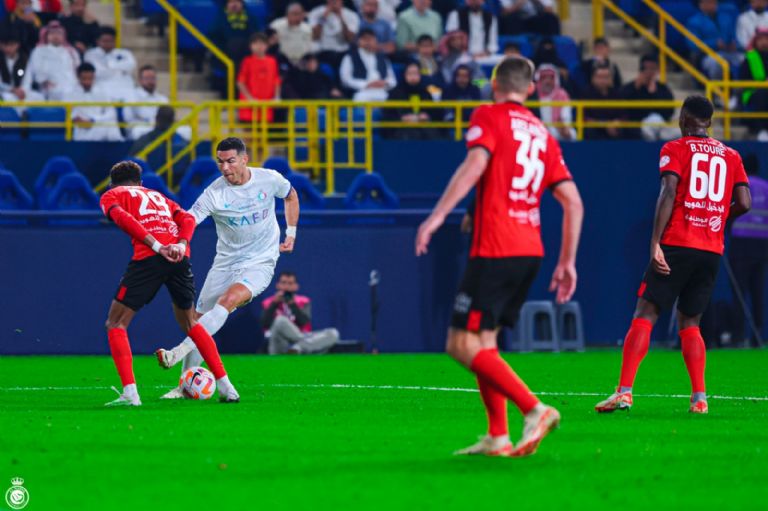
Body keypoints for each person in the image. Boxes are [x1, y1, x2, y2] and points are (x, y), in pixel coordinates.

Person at [415, 56, 584, 457]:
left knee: (459, 344)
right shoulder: (543, 133)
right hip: (530, 250)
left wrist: (437, 216)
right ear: (531, 89)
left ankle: (534, 408)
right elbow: (573, 202)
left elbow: (476, 163)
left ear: (494, 86)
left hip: (495, 246)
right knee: (485, 341)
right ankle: (498, 436)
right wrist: (567, 261)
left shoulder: (489, 115)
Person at [594, 95, 752, 415]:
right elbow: (745, 203)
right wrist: (718, 218)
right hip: (711, 249)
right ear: (709, 122)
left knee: (645, 312)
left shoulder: (675, 149)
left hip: (678, 242)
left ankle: (624, 392)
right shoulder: (731, 155)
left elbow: (668, 191)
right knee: (690, 322)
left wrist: (655, 242)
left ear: (683, 119)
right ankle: (700, 398)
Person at [155, 137, 300, 398]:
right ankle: (184, 387)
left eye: (231, 161)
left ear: (245, 159)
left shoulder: (269, 179)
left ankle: (177, 352)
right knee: (198, 319)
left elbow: (290, 195)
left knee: (228, 300)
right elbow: (190, 219)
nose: (225, 168)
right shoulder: (214, 193)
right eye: (220, 162)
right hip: (225, 262)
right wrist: (180, 243)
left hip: (260, 261)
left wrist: (291, 232)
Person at [99, 160, 240, 406]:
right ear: (140, 183)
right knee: (191, 323)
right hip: (179, 258)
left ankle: (130, 394)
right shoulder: (159, 197)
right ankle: (227, 388)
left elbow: (122, 217)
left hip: (150, 258)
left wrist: (156, 246)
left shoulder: (112, 194)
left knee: (116, 323)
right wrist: (182, 244)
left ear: (113, 183)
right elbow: (187, 219)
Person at [729, 153, 768, 346]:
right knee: (758, 292)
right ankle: (757, 336)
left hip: (741, 245)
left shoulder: (740, 185)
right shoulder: (766, 187)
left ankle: (737, 336)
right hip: (762, 246)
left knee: (739, 292)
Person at [262, 272, 340, 354]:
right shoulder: (268, 302)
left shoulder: (303, 301)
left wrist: (292, 304)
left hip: (301, 337)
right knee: (280, 320)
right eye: (283, 283)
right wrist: (274, 304)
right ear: (278, 285)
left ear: (296, 286)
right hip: (279, 342)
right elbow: (265, 323)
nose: (286, 286)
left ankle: (297, 348)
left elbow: (304, 322)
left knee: (333, 333)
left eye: (290, 283)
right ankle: (302, 346)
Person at [619, 54, 676, 141]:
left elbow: (669, 111)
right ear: (641, 70)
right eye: (646, 69)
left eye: (652, 69)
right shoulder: (630, 88)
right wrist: (636, 88)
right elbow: (623, 108)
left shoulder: (662, 89)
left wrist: (654, 93)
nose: (649, 72)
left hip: (660, 125)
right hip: (637, 127)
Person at [210, 0, 259, 96]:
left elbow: (256, 36)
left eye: (237, 2)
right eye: (231, 2)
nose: (234, 4)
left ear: (242, 4)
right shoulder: (220, 18)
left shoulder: (250, 18)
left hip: (246, 55)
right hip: (225, 56)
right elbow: (213, 36)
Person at [65, 62, 123, 141]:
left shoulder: (101, 90)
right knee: (110, 128)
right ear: (78, 77)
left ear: (94, 77)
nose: (87, 82)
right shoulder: (70, 93)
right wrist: (88, 123)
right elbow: (74, 118)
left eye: (90, 78)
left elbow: (111, 113)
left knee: (111, 125)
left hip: (100, 126)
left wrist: (95, 120)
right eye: (84, 79)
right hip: (83, 132)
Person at [21, 19, 78, 99]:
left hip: (71, 88)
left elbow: (78, 70)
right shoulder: (39, 51)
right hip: (49, 89)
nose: (56, 36)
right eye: (52, 33)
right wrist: (42, 80)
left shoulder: (71, 52)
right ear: (46, 35)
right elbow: (32, 71)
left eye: (59, 33)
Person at [685, 0, 742, 80]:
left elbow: (733, 36)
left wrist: (734, 44)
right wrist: (715, 44)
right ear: (701, 5)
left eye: (714, 2)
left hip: (729, 52)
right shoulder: (694, 22)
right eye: (709, 2)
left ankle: (742, 85)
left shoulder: (726, 18)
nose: (712, 5)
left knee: (745, 60)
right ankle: (717, 86)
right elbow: (693, 44)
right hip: (708, 55)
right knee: (716, 63)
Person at [339, 28, 396, 100]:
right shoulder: (350, 57)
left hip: (382, 91)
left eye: (371, 39)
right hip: (361, 92)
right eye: (365, 39)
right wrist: (366, 84)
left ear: (376, 41)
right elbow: (345, 79)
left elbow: (392, 79)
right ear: (359, 41)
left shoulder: (383, 58)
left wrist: (385, 83)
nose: (368, 42)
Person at [385, 61, 438, 139]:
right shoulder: (395, 93)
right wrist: (401, 119)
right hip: (401, 130)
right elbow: (388, 115)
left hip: (423, 128)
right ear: (404, 75)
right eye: (409, 74)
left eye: (415, 73)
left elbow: (434, 113)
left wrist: (426, 116)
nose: (413, 77)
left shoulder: (425, 92)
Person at [83, 25, 136, 101]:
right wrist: (119, 69)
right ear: (98, 41)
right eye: (105, 41)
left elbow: (131, 65)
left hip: (124, 90)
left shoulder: (125, 53)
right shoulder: (90, 54)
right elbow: (98, 72)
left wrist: (110, 66)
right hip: (102, 91)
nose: (108, 44)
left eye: (111, 41)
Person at [237, 32, 281, 122]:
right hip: (249, 107)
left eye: (262, 43)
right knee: (249, 130)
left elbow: (276, 81)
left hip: (266, 106)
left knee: (264, 130)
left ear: (267, 46)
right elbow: (240, 82)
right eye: (255, 43)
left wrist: (277, 97)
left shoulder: (272, 61)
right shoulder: (247, 61)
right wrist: (250, 99)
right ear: (250, 46)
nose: (259, 46)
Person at [308, 0, 360, 68]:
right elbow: (315, 36)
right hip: (323, 52)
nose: (334, 1)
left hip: (343, 52)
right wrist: (324, 17)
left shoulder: (351, 15)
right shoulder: (316, 12)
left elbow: (349, 39)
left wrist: (341, 17)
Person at [581, 63, 624, 140]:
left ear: (611, 78)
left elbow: (623, 115)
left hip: (613, 128)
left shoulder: (617, 94)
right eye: (600, 77)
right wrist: (603, 125)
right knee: (589, 131)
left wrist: (617, 122)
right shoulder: (586, 94)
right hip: (595, 128)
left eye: (606, 77)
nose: (603, 80)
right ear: (593, 78)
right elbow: (584, 117)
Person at [739, 28, 768, 139]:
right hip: (752, 93)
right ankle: (762, 130)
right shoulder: (750, 58)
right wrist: (762, 84)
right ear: (755, 41)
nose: (764, 42)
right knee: (763, 95)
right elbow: (742, 80)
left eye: (766, 39)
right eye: (761, 39)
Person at [533, 63, 575, 141]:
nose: (547, 81)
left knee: (572, 134)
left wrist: (564, 128)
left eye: (551, 78)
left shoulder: (562, 95)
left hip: (558, 130)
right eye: (544, 78)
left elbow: (566, 118)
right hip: (537, 130)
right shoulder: (532, 96)